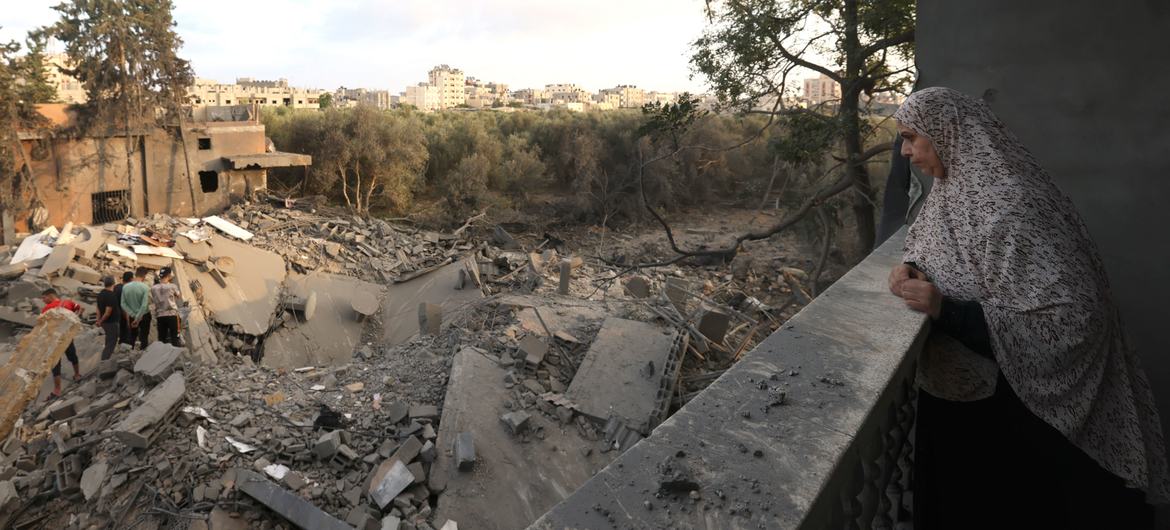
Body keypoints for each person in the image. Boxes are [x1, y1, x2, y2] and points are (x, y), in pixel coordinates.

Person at [888, 87, 1168, 529]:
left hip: (1018, 420)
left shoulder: (1012, 207)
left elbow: (1075, 319)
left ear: (947, 132)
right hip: (961, 398)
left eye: (910, 138)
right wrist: (911, 265)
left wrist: (949, 311)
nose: (905, 152)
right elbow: (935, 247)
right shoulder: (952, 189)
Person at [41, 288, 82, 397]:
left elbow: (44, 325)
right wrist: (76, 318)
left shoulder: (46, 309)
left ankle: (57, 389)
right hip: (67, 336)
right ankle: (77, 375)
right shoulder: (67, 303)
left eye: (44, 298)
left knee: (55, 364)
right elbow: (80, 308)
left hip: (54, 340)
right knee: (73, 356)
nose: (43, 300)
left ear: (50, 296)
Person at [120, 267, 152, 350]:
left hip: (132, 315)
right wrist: (138, 317)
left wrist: (133, 315)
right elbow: (144, 305)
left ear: (135, 274)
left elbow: (123, 304)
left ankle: (130, 353)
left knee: (132, 336)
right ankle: (143, 354)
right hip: (144, 315)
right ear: (144, 276)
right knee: (144, 337)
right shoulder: (145, 287)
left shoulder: (125, 287)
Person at [151, 267, 182, 346]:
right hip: (172, 314)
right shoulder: (173, 286)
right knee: (175, 337)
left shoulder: (154, 288)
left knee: (161, 339)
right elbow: (178, 296)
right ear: (169, 275)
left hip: (160, 315)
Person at [94, 276, 121, 360]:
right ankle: (104, 361)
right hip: (111, 323)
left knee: (108, 340)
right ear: (113, 283)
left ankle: (105, 358)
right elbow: (108, 312)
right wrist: (100, 321)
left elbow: (98, 309)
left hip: (105, 323)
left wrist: (98, 320)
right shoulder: (111, 295)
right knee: (111, 342)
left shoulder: (101, 294)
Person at [115, 270, 134, 347]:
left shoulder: (116, 287)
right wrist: (128, 321)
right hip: (121, 318)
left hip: (113, 316)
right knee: (125, 339)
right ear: (131, 279)